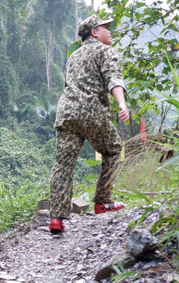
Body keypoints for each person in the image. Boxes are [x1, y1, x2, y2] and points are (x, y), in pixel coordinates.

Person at [46, 14, 130, 235]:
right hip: (92, 112)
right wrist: (122, 104)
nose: (109, 31)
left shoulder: (73, 57)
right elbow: (113, 78)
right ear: (94, 32)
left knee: (63, 165)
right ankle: (103, 201)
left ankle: (56, 217)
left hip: (66, 114)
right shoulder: (105, 51)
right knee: (113, 150)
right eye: (105, 27)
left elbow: (68, 85)